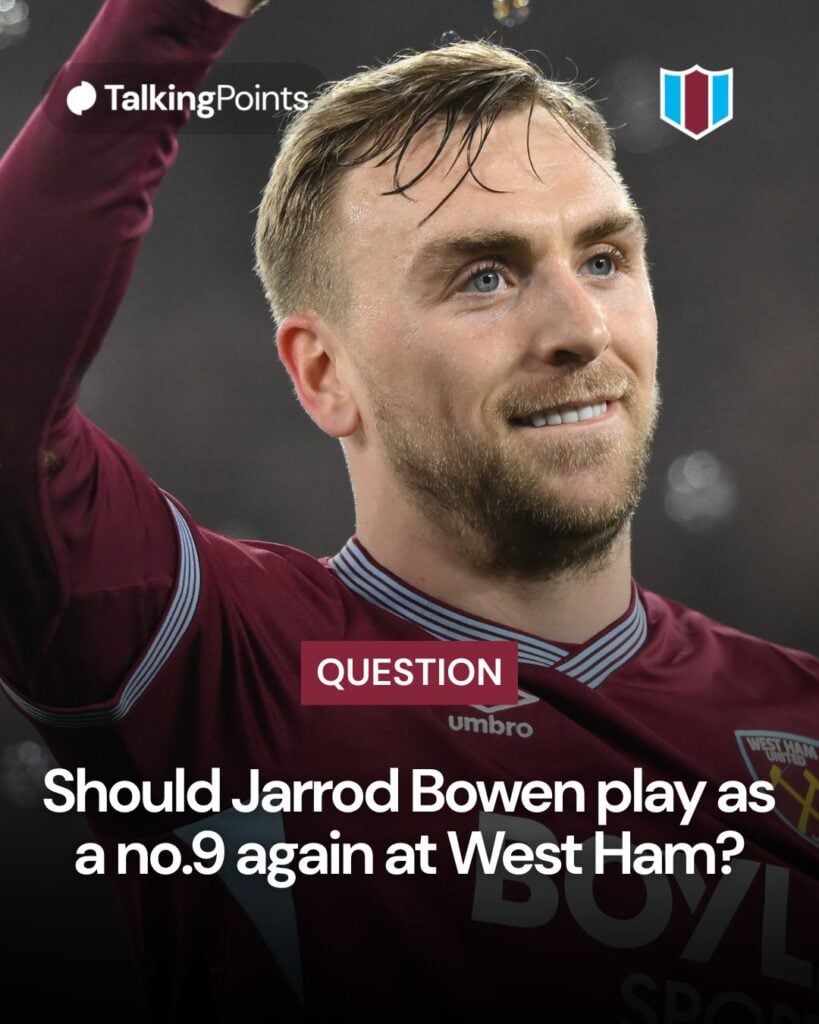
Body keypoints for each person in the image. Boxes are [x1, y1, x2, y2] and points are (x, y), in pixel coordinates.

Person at [0, 0, 816, 1019]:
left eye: (604, 259)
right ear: (323, 373)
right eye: (485, 276)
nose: (582, 328)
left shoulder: (801, 720)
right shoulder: (236, 667)